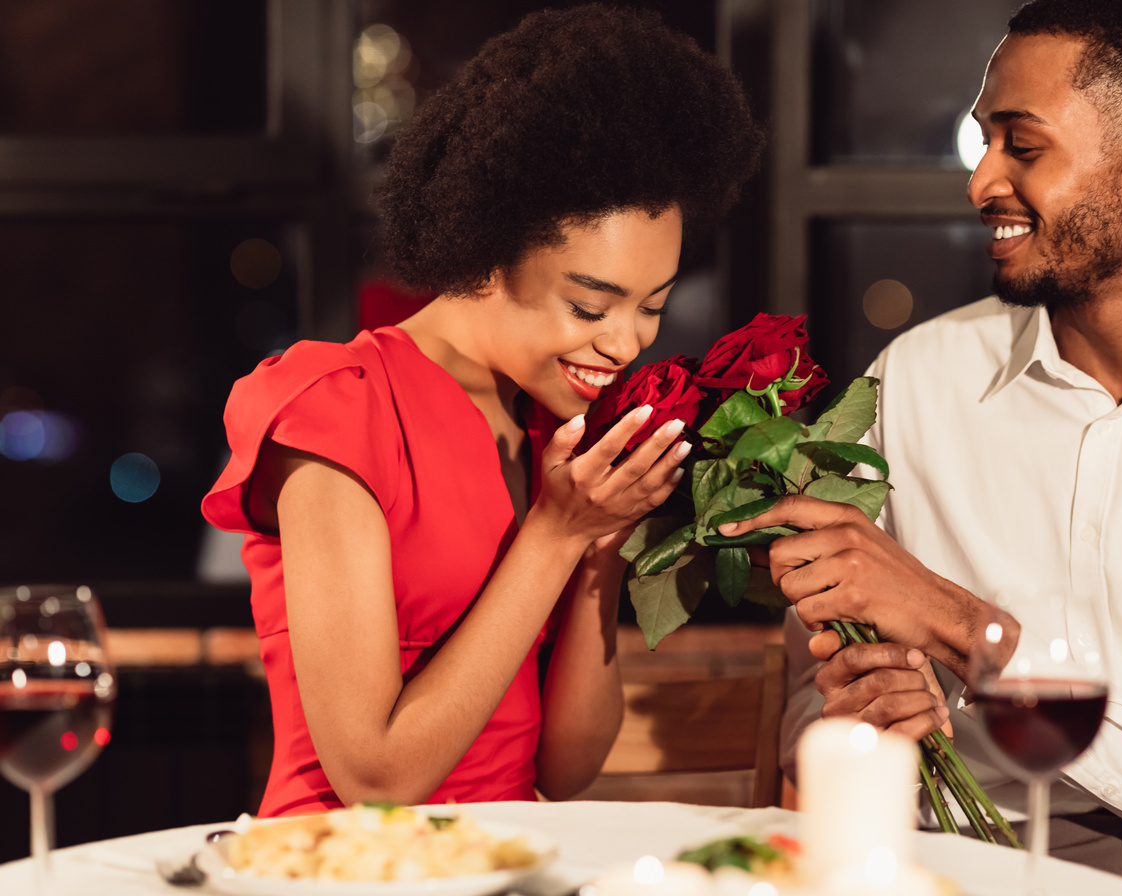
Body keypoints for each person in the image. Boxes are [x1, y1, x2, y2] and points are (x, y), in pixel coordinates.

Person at [719, 0, 1122, 891]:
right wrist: (860, 715)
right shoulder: (916, 379)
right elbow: (816, 704)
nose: (981, 183)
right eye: (985, 143)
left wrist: (966, 628)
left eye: (1023, 145)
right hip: (962, 858)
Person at [201, 4, 763, 817]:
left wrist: (598, 550)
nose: (624, 344)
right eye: (589, 304)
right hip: (353, 870)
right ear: (489, 252)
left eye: (652, 306)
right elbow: (378, 779)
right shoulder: (340, 411)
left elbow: (567, 769)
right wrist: (555, 535)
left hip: (515, 860)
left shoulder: (551, 425)